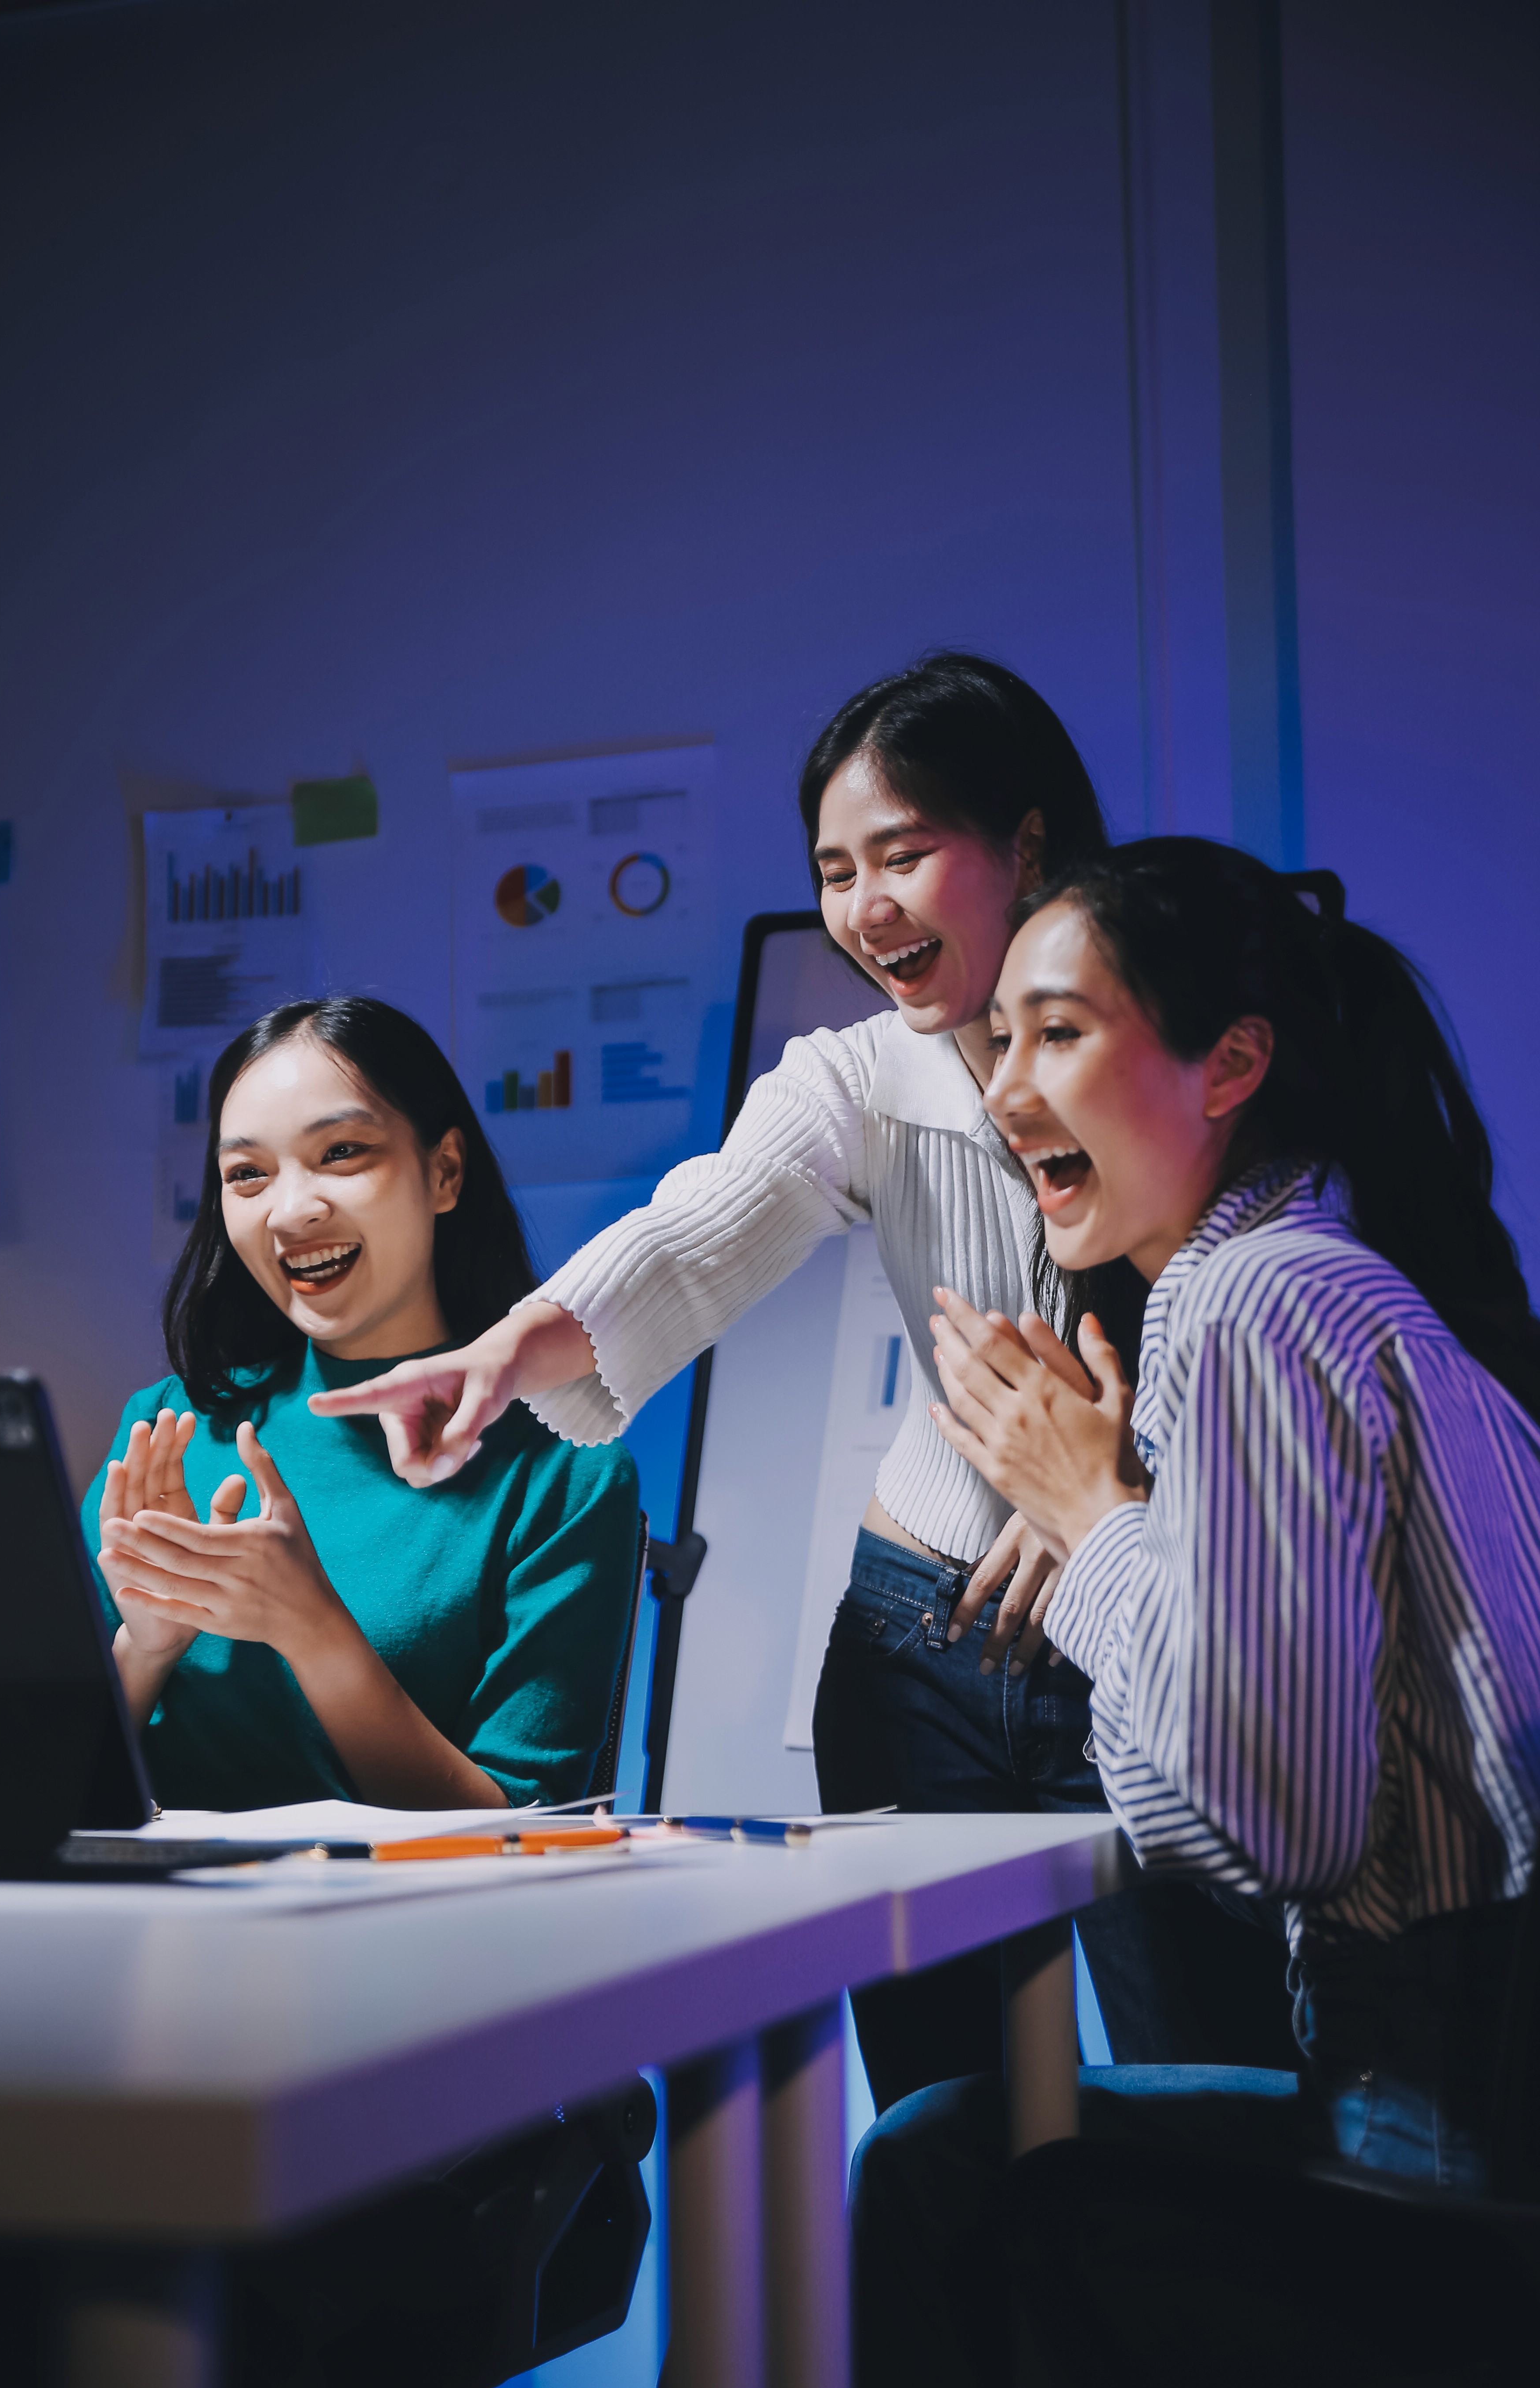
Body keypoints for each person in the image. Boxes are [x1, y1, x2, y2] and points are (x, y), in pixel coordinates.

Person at [307, 657, 1290, 2101]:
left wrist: (1102, 1497)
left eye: (902, 853)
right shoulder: (855, 1078)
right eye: (834, 870)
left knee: (1207, 2085)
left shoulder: (1180, 1064)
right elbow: (695, 1230)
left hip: (1140, 1627)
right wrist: (503, 1348)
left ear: (1022, 844)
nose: (861, 908)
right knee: (942, 2117)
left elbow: (1244, 1330)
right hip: (919, 1643)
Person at [850, 836, 1540, 2388]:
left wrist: (1093, 1521)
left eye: (1061, 1031)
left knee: (934, 2169)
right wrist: (1113, 1529)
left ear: (1226, 1065)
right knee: (957, 2147)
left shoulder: (1254, 1301)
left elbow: (1265, 1829)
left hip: (1437, 2122)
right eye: (1000, 1039)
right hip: (1441, 2077)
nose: (1006, 1087)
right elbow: (1218, 1805)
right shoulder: (1309, 1278)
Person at [86, 996, 640, 1812]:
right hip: (162, 1928)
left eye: (342, 1153)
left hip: (417, 1936)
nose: (292, 1211)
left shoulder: (567, 1470)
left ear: (444, 1172)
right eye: (247, 1174)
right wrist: (146, 1648)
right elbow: (45, 1796)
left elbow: (517, 1832)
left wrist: (311, 1627)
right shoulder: (166, 1425)